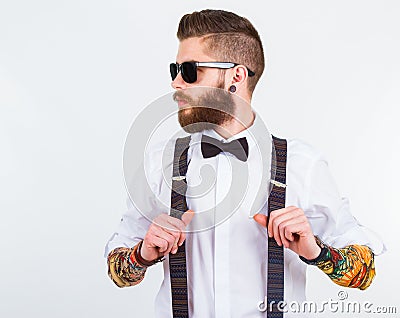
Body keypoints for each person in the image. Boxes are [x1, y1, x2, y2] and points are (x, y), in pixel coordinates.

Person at [104, 9, 384, 317]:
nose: (176, 83)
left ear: (236, 75)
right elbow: (117, 271)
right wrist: (142, 254)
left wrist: (316, 252)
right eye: (174, 69)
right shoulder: (160, 160)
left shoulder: (302, 164)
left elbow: (364, 272)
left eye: (189, 70)